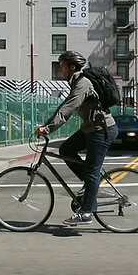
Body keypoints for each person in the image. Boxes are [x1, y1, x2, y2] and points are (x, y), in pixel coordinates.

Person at [36, 51, 118, 226]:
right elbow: (63, 106)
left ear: (72, 67)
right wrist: (46, 124)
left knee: (91, 171)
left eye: (62, 67)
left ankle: (86, 212)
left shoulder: (82, 83)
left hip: (102, 130)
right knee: (66, 149)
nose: (60, 70)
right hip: (91, 129)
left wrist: (48, 129)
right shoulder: (76, 83)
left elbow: (68, 109)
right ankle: (90, 188)